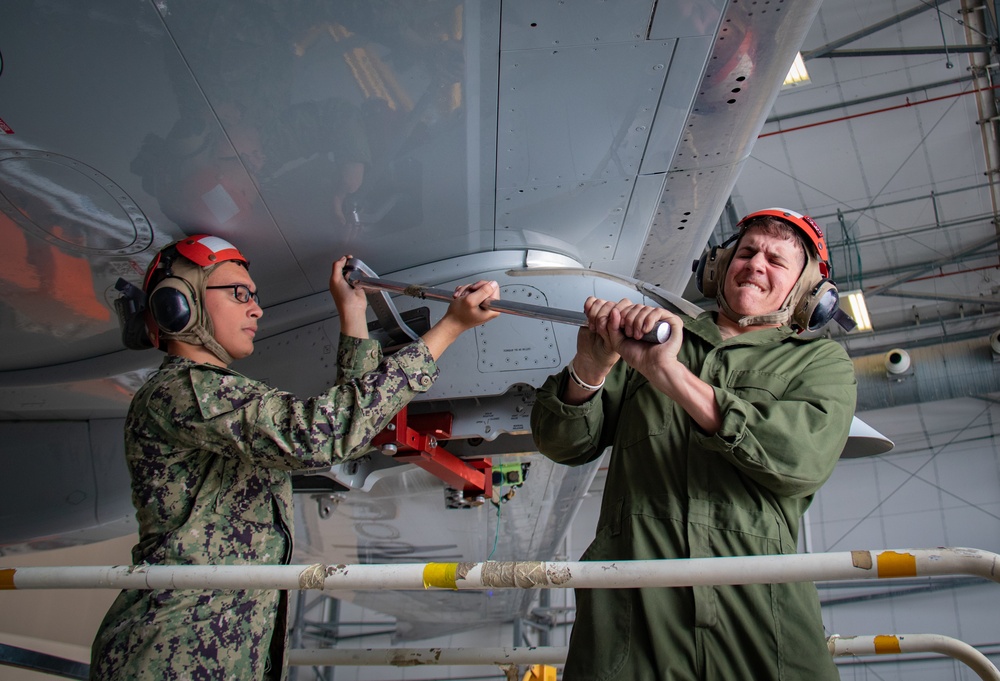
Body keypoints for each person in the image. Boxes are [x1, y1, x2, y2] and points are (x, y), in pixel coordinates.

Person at [91, 234, 500, 680]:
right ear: (179, 304)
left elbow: (351, 435)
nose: (256, 309)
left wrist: (353, 312)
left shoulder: (217, 396)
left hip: (231, 652)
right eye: (240, 294)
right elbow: (318, 437)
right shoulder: (182, 391)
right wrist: (447, 330)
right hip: (174, 653)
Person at [530, 208, 858, 680]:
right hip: (634, 599)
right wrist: (590, 366)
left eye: (776, 260)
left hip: (758, 603)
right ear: (720, 266)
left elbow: (798, 460)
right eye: (746, 252)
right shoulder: (651, 339)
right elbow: (562, 444)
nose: (755, 265)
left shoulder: (820, 364)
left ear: (808, 293)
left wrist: (670, 375)